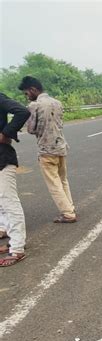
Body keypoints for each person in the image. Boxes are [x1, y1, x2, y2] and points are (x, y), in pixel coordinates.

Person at [19, 76, 77, 223]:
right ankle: (69, 206)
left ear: (33, 89)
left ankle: (68, 214)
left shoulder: (34, 106)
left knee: (54, 183)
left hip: (46, 150)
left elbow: (31, 129)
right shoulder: (57, 102)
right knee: (63, 180)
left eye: (26, 93)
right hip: (61, 146)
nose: (27, 97)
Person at [0, 92, 30, 266]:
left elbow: (22, 111)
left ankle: (17, 249)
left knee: (9, 202)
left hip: (3, 159)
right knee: (1, 203)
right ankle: (12, 241)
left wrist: (6, 134)